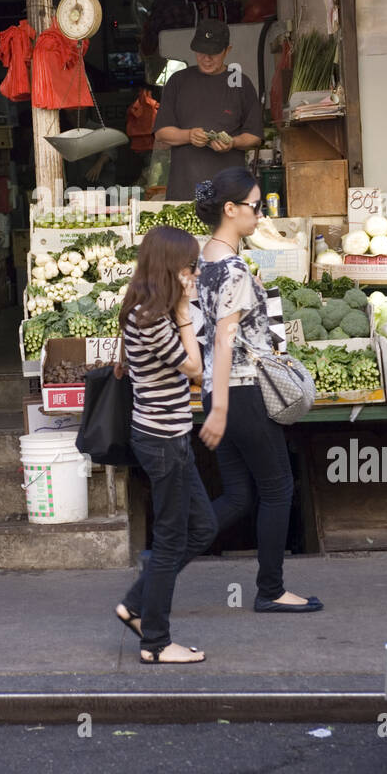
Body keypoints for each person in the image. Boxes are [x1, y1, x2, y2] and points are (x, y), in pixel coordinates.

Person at [195, 170, 323, 613]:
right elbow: (227, 337)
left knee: (238, 495)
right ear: (230, 210)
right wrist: (224, 408)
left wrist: (214, 401)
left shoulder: (206, 259)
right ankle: (271, 590)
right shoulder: (231, 269)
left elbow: (203, 332)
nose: (260, 214)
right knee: (277, 488)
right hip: (242, 391)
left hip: (218, 389)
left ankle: (161, 561)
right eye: (255, 206)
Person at [115, 226, 218, 663]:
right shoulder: (154, 318)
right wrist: (183, 312)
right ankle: (155, 642)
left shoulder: (138, 306)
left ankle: (137, 603)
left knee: (203, 525)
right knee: (172, 539)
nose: (194, 274)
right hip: (163, 439)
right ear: (172, 269)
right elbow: (194, 368)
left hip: (167, 435)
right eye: (190, 266)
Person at [153, 20, 263, 200]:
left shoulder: (241, 83)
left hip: (229, 193)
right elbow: (161, 133)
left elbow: (255, 137)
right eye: (201, 52)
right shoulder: (178, 81)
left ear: (228, 50)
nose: (207, 58)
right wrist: (188, 135)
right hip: (185, 191)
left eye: (214, 53)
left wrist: (232, 143)